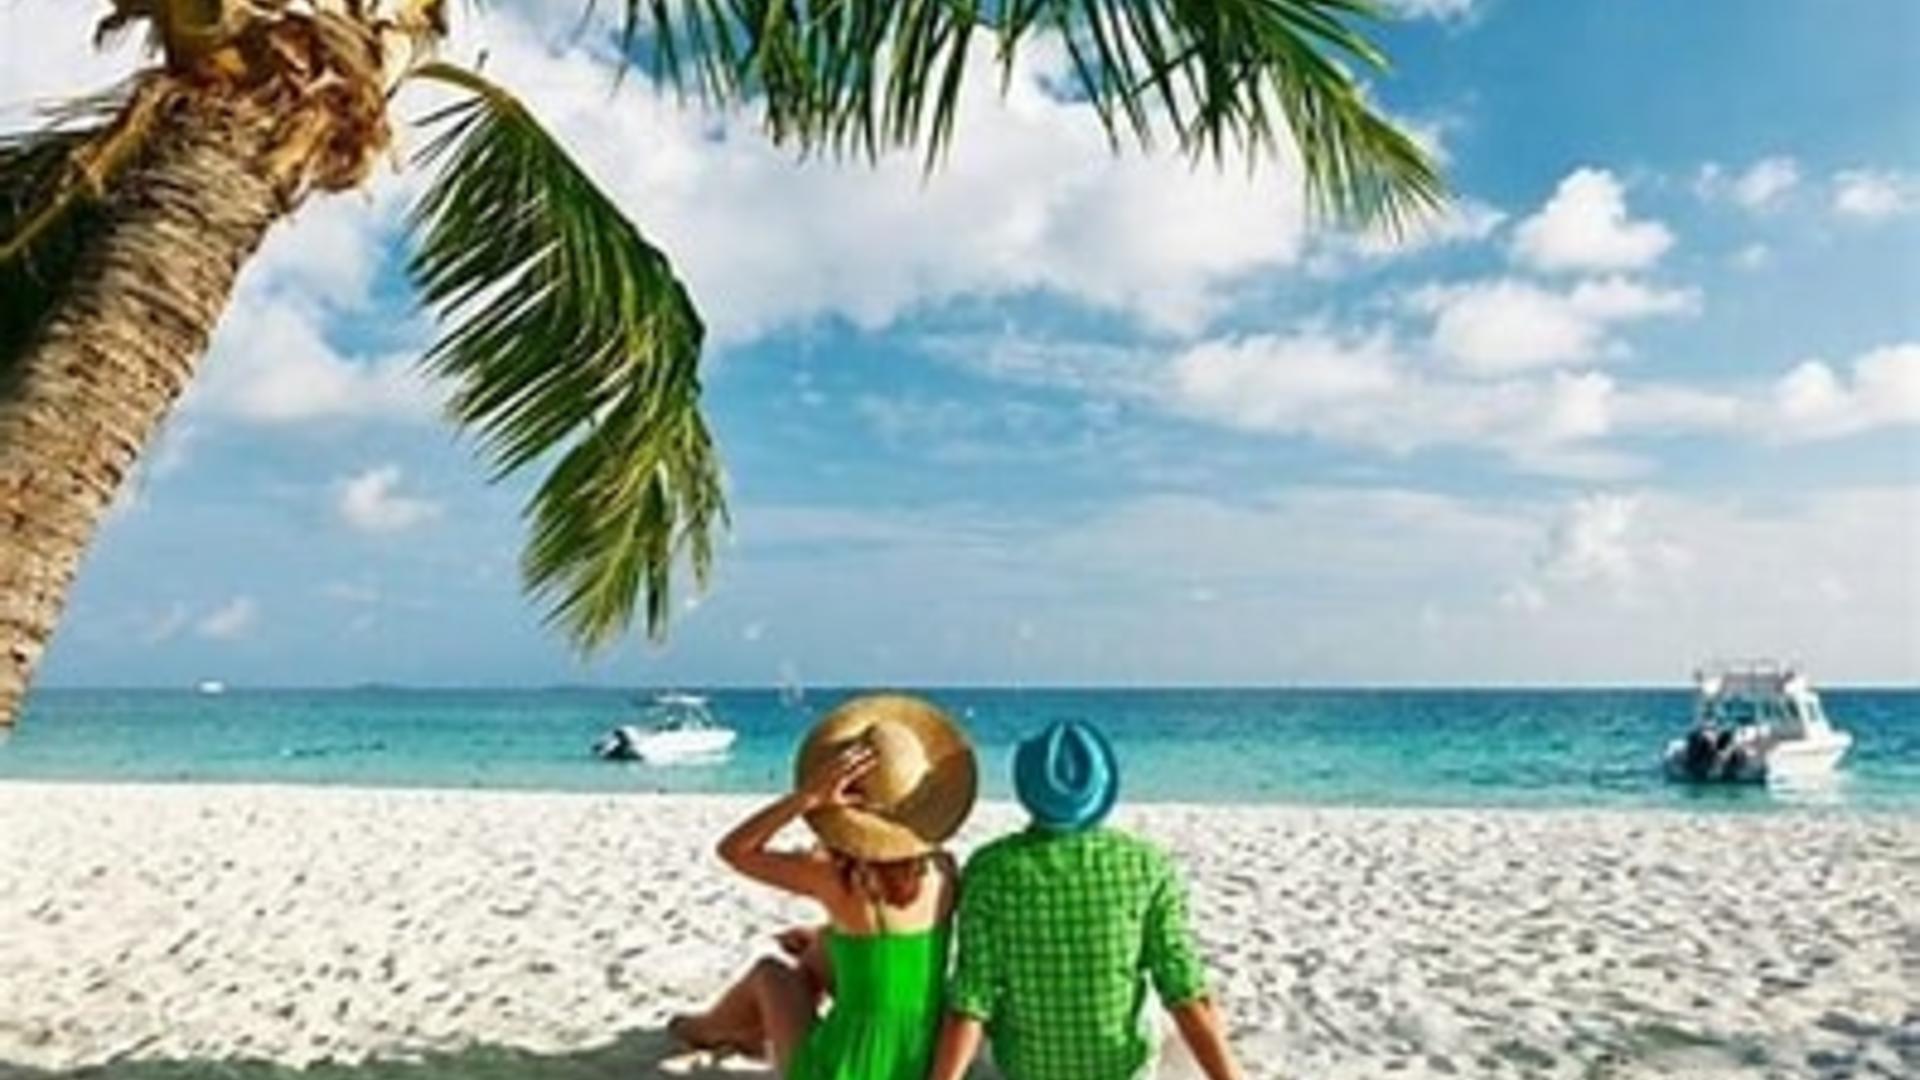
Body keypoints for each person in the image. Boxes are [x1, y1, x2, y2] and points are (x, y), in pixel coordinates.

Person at [668, 693, 978, 1078]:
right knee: (823, 949)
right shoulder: (944, 871)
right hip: (922, 1064)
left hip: (840, 1070)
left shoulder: (834, 878)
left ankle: (706, 1030)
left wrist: (807, 797)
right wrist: (822, 938)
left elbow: (734, 851)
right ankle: (736, 1030)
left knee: (770, 973)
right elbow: (890, 945)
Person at [927, 720, 1245, 1080]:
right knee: (1169, 1003)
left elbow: (972, 1001)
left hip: (1029, 1071)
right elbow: (1185, 993)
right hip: (1123, 1071)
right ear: (1100, 789)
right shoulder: (1145, 865)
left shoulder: (990, 870)